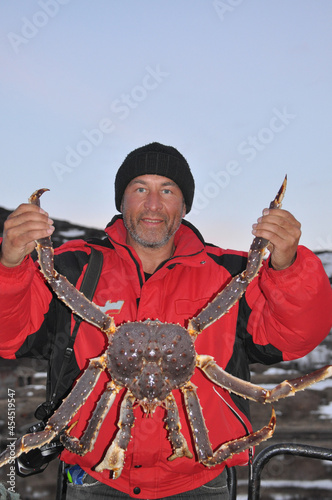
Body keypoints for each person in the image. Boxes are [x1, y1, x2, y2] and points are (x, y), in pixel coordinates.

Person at [0, 142, 332, 500]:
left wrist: (288, 266)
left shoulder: (231, 273)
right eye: (140, 188)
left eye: (168, 190)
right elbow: (11, 335)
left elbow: (293, 337)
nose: (153, 204)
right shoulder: (72, 268)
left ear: (184, 205)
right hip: (95, 480)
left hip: (201, 483)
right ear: (121, 201)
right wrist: (10, 267)